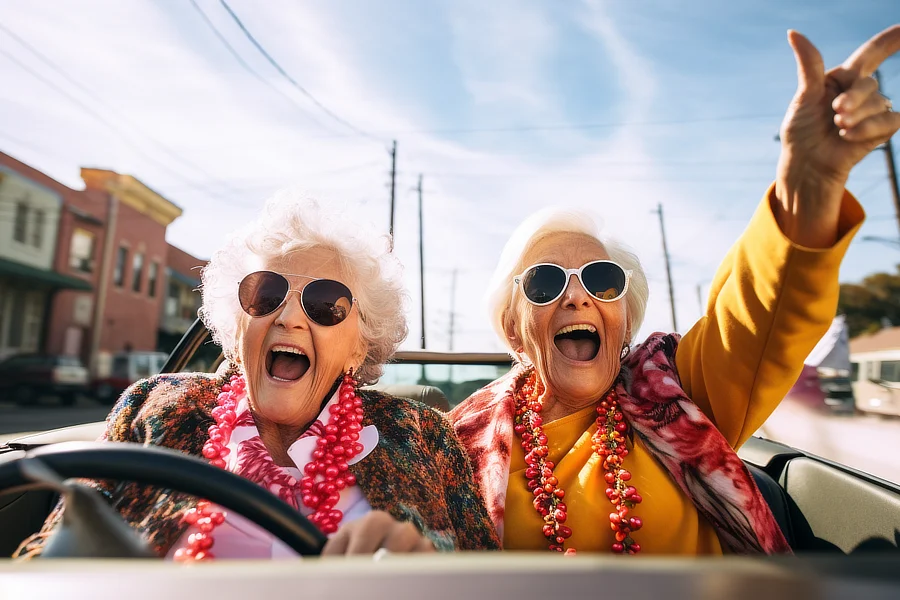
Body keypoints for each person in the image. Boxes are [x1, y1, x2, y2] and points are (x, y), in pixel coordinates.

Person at [449, 26, 900, 555]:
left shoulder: (679, 395)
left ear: (624, 318)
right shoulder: (455, 445)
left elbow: (758, 320)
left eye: (601, 279)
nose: (577, 298)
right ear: (512, 327)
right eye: (546, 282)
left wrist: (808, 189)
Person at [17, 193, 500, 560]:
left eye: (325, 303)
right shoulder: (153, 408)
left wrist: (429, 574)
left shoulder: (424, 437)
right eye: (265, 294)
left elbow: (487, 584)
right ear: (238, 324)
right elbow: (51, 556)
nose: (289, 318)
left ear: (360, 344)